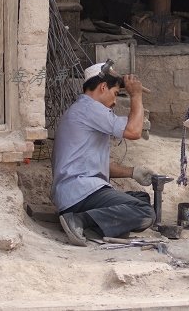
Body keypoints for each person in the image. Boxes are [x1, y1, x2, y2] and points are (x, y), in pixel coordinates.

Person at [51, 62, 157, 246]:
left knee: (141, 198)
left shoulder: (82, 110)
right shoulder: (89, 108)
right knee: (145, 212)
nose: (115, 102)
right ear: (102, 87)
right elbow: (133, 132)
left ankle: (92, 223)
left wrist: (133, 172)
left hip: (76, 191)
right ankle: (79, 221)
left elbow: (95, 164)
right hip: (79, 192)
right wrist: (136, 95)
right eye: (115, 94)